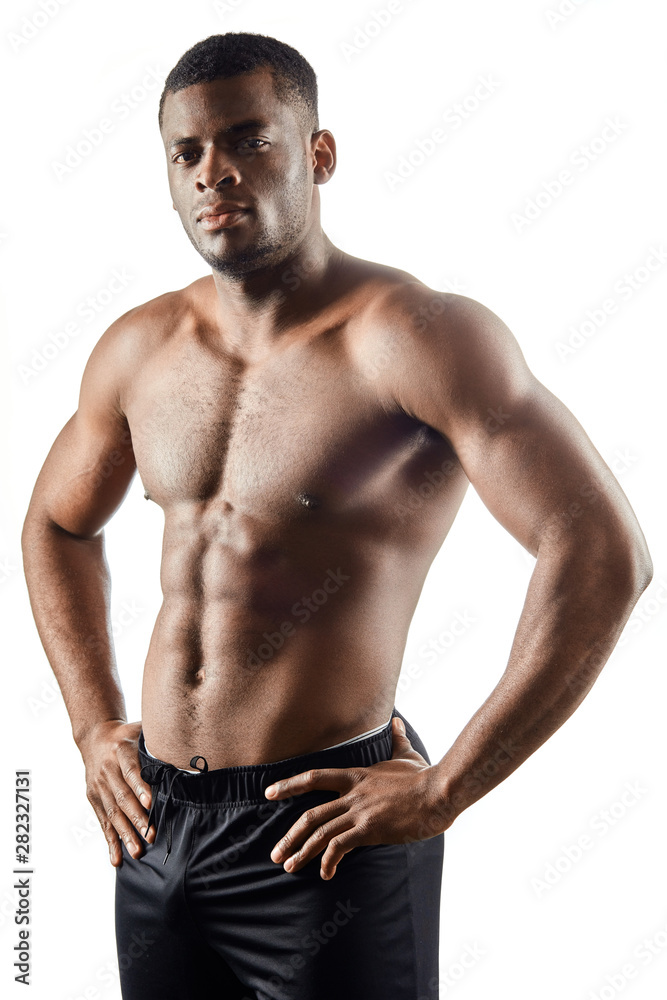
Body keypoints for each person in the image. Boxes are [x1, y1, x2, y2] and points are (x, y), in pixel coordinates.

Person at [21, 30, 652, 1000]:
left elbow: (600, 549)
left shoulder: (415, 339)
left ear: (318, 153)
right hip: (153, 827)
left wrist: (447, 789)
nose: (214, 173)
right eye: (186, 153)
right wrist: (90, 725)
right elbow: (57, 525)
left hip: (322, 836)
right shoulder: (140, 349)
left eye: (248, 139)